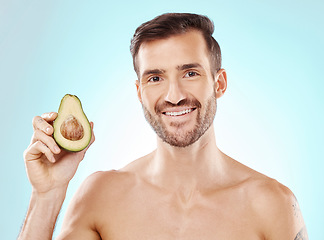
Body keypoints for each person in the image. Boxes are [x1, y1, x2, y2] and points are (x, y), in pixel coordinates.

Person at [18, 13, 308, 240]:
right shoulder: (101, 196)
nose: (174, 95)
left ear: (219, 83)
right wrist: (47, 194)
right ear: (139, 91)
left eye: (190, 73)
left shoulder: (272, 205)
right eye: (155, 78)